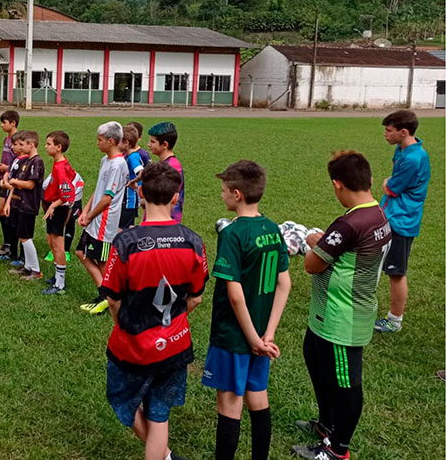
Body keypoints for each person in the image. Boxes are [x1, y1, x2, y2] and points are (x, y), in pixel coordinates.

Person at [101, 161, 207, 460]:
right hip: (175, 345)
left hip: (132, 346)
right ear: (176, 197)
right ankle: (165, 454)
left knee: (122, 399)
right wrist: (169, 323)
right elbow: (196, 298)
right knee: (159, 413)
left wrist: (125, 323)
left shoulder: (126, 242)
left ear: (140, 194)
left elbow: (113, 298)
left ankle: (164, 454)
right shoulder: (193, 241)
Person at [291, 151, 392, 460]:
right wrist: (324, 241)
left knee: (346, 383)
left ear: (337, 185)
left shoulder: (349, 223)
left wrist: (312, 239)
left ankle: (337, 450)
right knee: (314, 358)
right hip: (328, 313)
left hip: (342, 318)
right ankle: (326, 425)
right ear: (369, 179)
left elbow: (311, 264)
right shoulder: (377, 214)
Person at [202, 160, 291, 460]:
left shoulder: (233, 233)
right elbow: (285, 283)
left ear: (237, 194)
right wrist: (268, 334)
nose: (221, 195)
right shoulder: (272, 228)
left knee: (229, 404)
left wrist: (252, 338)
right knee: (258, 397)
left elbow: (236, 295)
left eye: (224, 190)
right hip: (262, 335)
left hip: (234, 336)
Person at [374, 109, 430, 334]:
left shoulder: (414, 158)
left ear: (403, 132)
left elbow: (391, 188)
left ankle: (394, 320)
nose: (385, 134)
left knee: (396, 272)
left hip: (401, 222)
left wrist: (387, 183)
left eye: (389, 131)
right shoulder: (402, 149)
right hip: (391, 215)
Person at [76, 121, 128, 315]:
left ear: (111, 141)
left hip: (105, 222)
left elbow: (107, 198)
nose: (97, 143)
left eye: (100, 140)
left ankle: (108, 296)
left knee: (101, 261)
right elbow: (99, 190)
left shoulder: (118, 165)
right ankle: (105, 294)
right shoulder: (105, 160)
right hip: (94, 219)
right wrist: (85, 211)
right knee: (81, 252)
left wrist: (90, 216)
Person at [6, 131, 45, 281]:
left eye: (23, 144)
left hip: (29, 205)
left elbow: (30, 184)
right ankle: (28, 267)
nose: (20, 147)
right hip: (20, 204)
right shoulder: (27, 160)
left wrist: (15, 182)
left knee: (26, 237)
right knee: (22, 236)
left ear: (32, 145)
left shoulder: (37, 161)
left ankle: (36, 270)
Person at [41, 130, 76, 295]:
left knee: (57, 244)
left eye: (49, 144)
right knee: (51, 240)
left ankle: (60, 283)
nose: (45, 147)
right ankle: (57, 275)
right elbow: (72, 176)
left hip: (58, 208)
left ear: (59, 147)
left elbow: (67, 194)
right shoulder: (60, 164)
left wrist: (53, 206)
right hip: (55, 206)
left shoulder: (60, 167)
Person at [0, 110, 20, 256]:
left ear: (13, 123)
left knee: (5, 210)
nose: (2, 125)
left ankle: (10, 244)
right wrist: (0, 167)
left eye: (4, 122)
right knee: (1, 210)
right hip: (2, 178)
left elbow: (21, 161)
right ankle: (7, 242)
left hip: (11, 180)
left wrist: (7, 168)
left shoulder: (19, 140)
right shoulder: (6, 139)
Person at [147, 122, 184, 223]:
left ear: (164, 145)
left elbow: (163, 197)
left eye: (152, 142)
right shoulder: (165, 164)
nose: (149, 144)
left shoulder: (172, 167)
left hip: (164, 221)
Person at [0, 133, 26, 263]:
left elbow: (20, 182)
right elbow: (8, 173)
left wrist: (8, 185)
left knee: (21, 229)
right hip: (10, 197)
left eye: (15, 145)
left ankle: (22, 257)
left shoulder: (26, 161)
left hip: (19, 200)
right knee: (11, 226)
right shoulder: (15, 158)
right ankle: (12, 252)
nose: (12, 147)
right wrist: (5, 181)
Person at [120, 125, 146, 229]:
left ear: (126, 143)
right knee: (127, 227)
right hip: (128, 201)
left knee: (122, 229)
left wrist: (132, 182)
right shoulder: (129, 155)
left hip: (129, 201)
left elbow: (142, 173)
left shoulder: (132, 157)